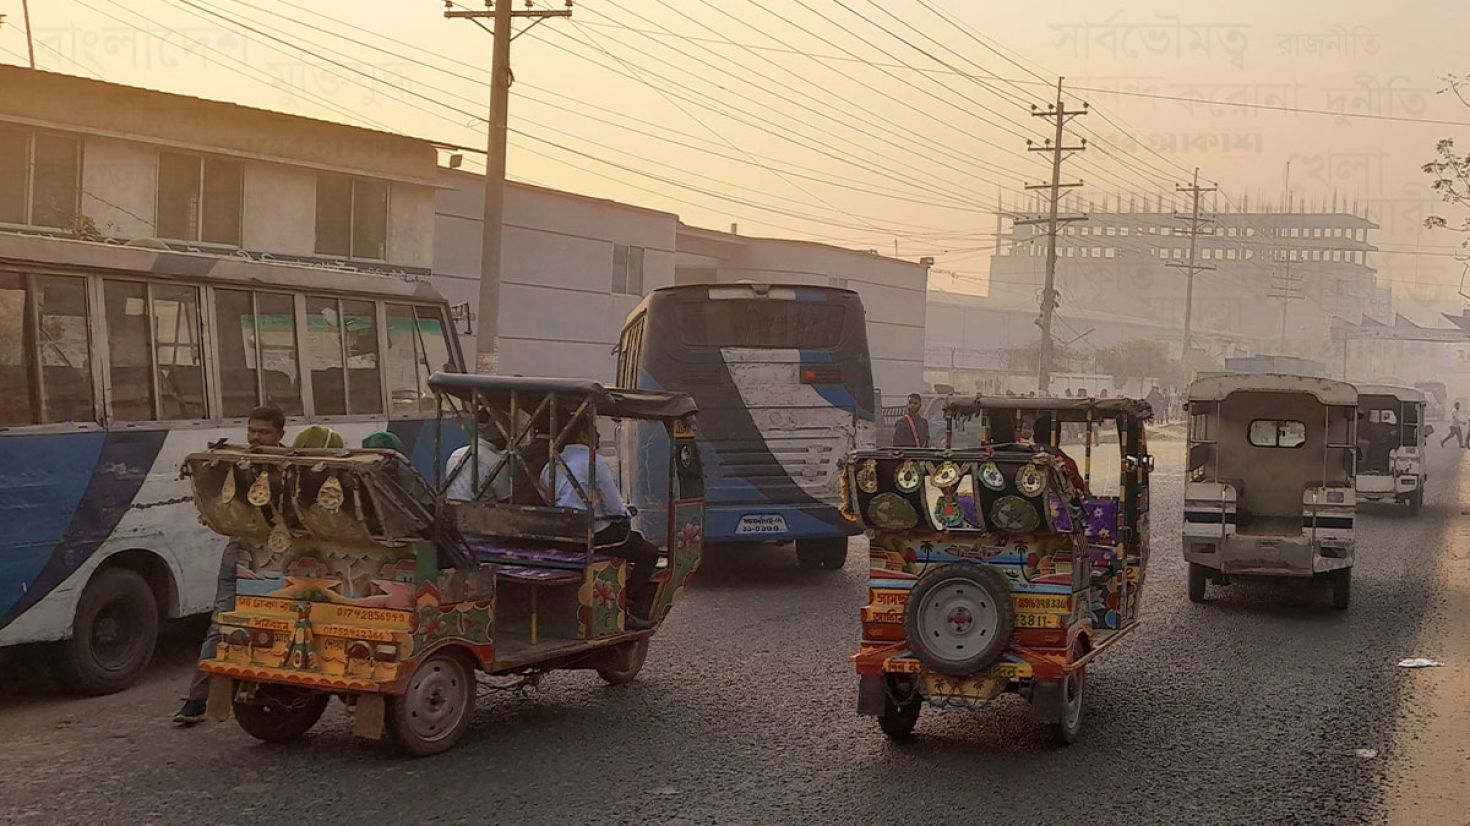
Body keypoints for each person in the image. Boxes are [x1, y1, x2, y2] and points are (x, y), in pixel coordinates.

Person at [173, 405, 286, 726]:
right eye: (251, 430)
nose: (255, 437)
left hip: (278, 555)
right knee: (222, 620)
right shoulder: (236, 461)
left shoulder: (291, 466)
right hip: (240, 550)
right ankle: (196, 701)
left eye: (263, 432)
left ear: (280, 434)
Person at [542, 417, 660, 627]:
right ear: (582, 436)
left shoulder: (551, 463)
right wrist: (626, 512)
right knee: (648, 552)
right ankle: (628, 607)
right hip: (591, 535)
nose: (598, 436)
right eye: (594, 432)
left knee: (635, 539)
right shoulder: (594, 461)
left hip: (561, 535)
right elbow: (615, 508)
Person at [445, 411, 514, 503]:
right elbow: (507, 501)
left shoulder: (456, 454)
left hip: (453, 513)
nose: (508, 438)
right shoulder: (497, 463)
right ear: (499, 432)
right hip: (486, 515)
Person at [1032, 414, 1090, 496]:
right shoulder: (1067, 463)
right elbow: (1083, 492)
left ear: (1034, 438)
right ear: (1058, 437)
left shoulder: (1023, 459)